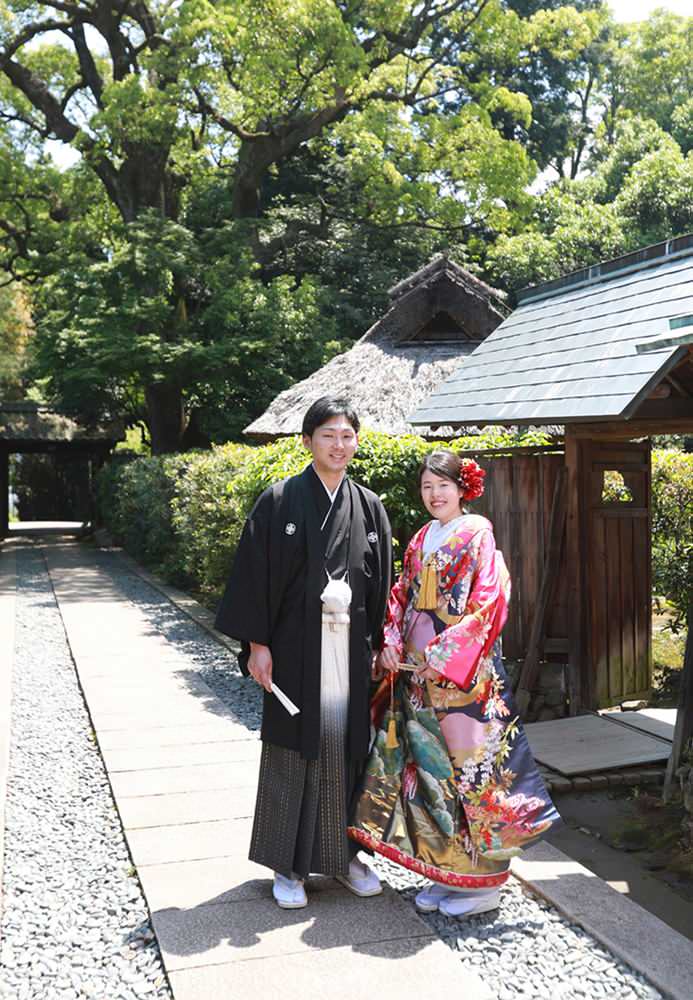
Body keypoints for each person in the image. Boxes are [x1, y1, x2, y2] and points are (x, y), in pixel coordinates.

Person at [348, 449, 560, 919]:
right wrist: (390, 644)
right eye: (426, 486)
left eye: (443, 485)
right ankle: (447, 873)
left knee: (473, 777)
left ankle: (484, 883)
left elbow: (489, 601)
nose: (434, 494)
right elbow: (400, 597)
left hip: (463, 685)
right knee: (430, 779)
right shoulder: (422, 538)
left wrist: (442, 657)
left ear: (463, 489)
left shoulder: (477, 533)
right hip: (418, 682)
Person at [215, 396, 392, 909]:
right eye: (329, 435)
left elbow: (381, 584)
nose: (339, 445)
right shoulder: (279, 500)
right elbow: (254, 576)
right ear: (308, 440)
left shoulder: (370, 506)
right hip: (294, 650)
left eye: (347, 436)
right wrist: (257, 644)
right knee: (293, 750)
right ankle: (287, 867)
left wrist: (382, 644)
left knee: (350, 749)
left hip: (351, 653)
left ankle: (350, 856)